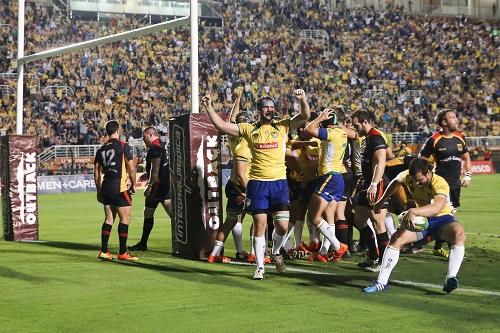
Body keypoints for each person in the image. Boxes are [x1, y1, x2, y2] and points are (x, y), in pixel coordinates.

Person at [201, 89, 310, 280]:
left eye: (272, 107)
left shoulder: (282, 126)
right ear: (259, 110)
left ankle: (275, 252)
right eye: (266, 107)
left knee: (283, 227)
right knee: (260, 224)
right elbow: (221, 125)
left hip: (279, 183)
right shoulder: (250, 129)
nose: (269, 110)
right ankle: (260, 267)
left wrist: (302, 100)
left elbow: (305, 116)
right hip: (258, 184)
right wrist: (209, 107)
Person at [364, 158, 466, 294]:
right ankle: (381, 282)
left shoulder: (440, 183)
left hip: (442, 220)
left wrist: (414, 211)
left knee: (458, 233)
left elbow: (436, 208)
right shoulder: (409, 176)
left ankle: (451, 278)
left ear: (428, 172)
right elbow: (396, 182)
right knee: (397, 239)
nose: (416, 183)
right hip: (423, 221)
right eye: (414, 180)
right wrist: (382, 200)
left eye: (420, 180)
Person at [208, 88, 252, 263]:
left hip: (235, 184)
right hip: (242, 184)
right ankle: (261, 252)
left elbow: (232, 120)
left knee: (234, 219)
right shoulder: (244, 144)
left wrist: (238, 98)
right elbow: (233, 120)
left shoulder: (235, 139)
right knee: (257, 216)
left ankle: (219, 253)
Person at [419, 109, 472, 257]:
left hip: (455, 185)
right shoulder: (434, 139)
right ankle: (450, 245)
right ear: (444, 122)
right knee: (445, 215)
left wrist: (467, 175)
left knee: (450, 213)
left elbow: (467, 158)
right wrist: (428, 173)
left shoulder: (460, 137)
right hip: (440, 184)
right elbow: (421, 159)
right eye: (453, 117)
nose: (456, 119)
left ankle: (434, 246)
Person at [303, 108, 354, 262]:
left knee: (314, 216)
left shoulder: (332, 134)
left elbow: (309, 129)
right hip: (337, 177)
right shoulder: (342, 133)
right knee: (329, 216)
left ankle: (338, 246)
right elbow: (354, 134)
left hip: (329, 177)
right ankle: (324, 252)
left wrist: (319, 117)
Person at [351, 110, 390, 272]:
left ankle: (384, 261)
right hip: (367, 183)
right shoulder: (367, 138)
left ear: (365, 122)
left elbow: (381, 162)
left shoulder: (376, 138)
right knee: (359, 220)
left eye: (356, 124)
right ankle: (373, 255)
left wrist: (374, 184)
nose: (354, 127)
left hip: (377, 183)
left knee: (378, 222)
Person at [94, 120, 138, 261]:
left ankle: (104, 251)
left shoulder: (101, 150)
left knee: (109, 219)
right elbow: (131, 167)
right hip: (120, 187)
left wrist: (99, 191)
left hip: (106, 187)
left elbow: (96, 173)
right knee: (125, 218)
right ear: (118, 131)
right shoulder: (123, 146)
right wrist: (133, 183)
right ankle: (123, 252)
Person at [128, 126, 171, 251]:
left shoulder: (155, 148)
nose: (143, 140)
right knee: (171, 213)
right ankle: (184, 241)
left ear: (150, 135)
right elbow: (159, 166)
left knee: (148, 213)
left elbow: (156, 168)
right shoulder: (162, 145)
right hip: (165, 184)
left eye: (144, 137)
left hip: (157, 186)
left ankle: (143, 243)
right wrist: (148, 174)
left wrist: (150, 186)